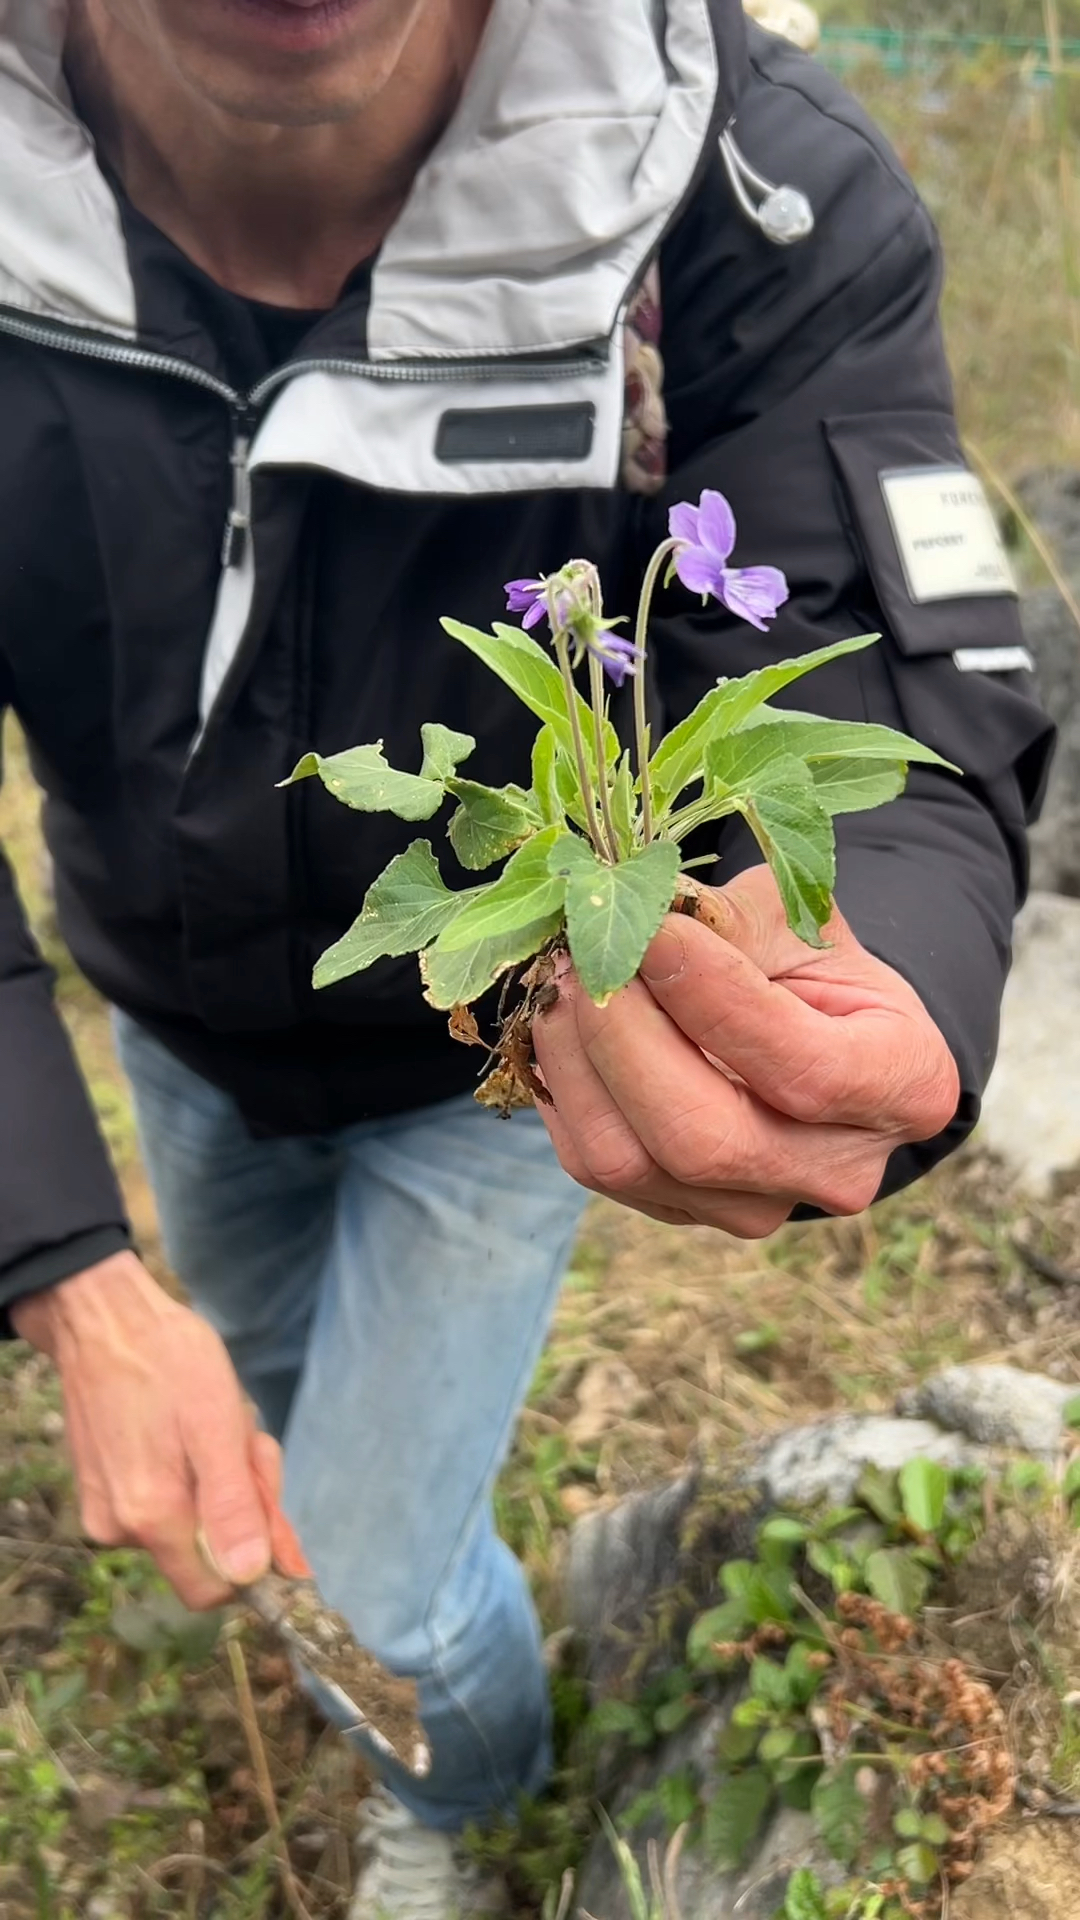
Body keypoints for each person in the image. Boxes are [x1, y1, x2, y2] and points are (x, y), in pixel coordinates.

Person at [0, 0, 1053, 1912]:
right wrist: (64, 1264)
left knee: (381, 1562)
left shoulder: (751, 188)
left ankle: (466, 1806)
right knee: (274, 1394)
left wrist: (878, 954)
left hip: (500, 1067)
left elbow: (877, 696)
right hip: (178, 1036)